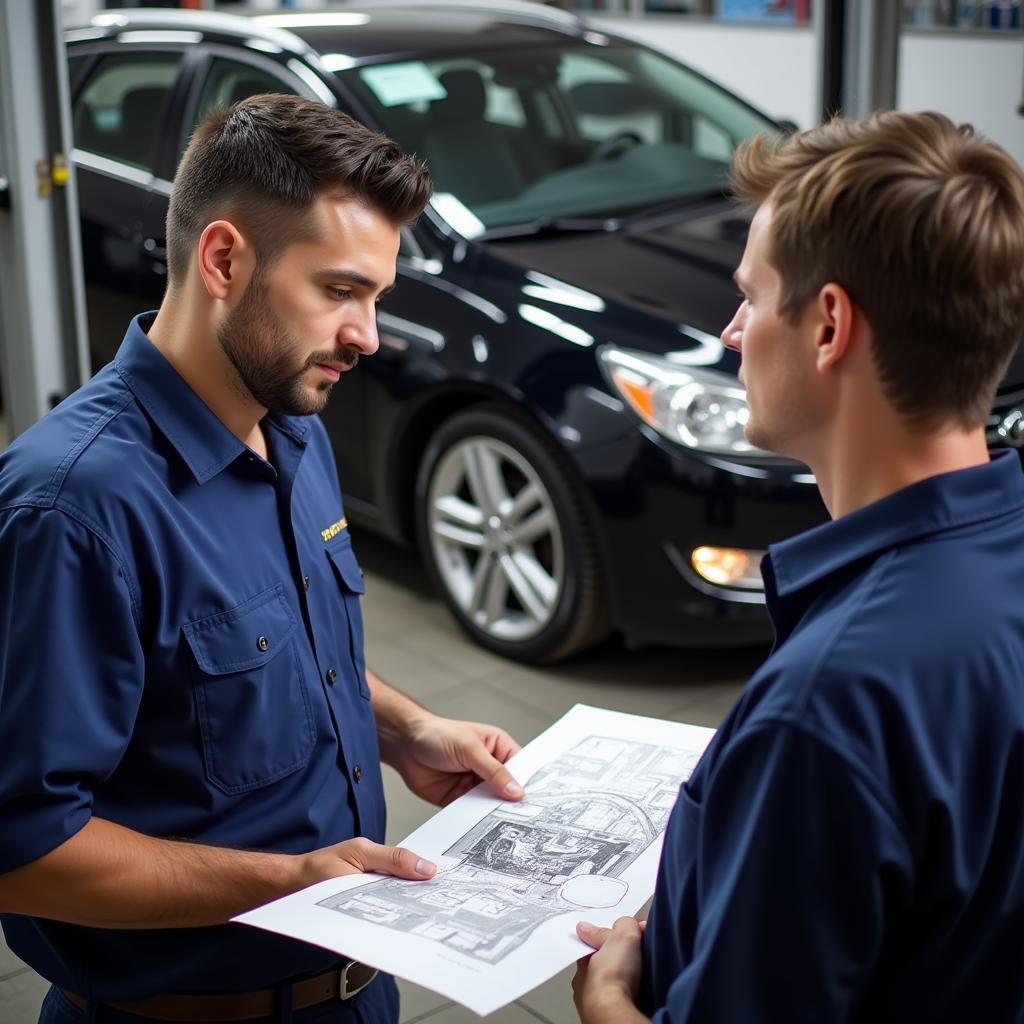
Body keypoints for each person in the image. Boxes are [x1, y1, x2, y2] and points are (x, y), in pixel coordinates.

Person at [0, 94, 525, 1024]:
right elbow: (23, 850)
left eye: (377, 296)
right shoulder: (72, 509)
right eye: (339, 290)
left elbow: (287, 647)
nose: (367, 335)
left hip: (358, 994)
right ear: (224, 259)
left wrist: (407, 731)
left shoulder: (291, 425)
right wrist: (293, 881)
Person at [572, 110, 1024, 1022]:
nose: (734, 331)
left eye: (750, 295)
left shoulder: (828, 705)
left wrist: (610, 999)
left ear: (827, 327)